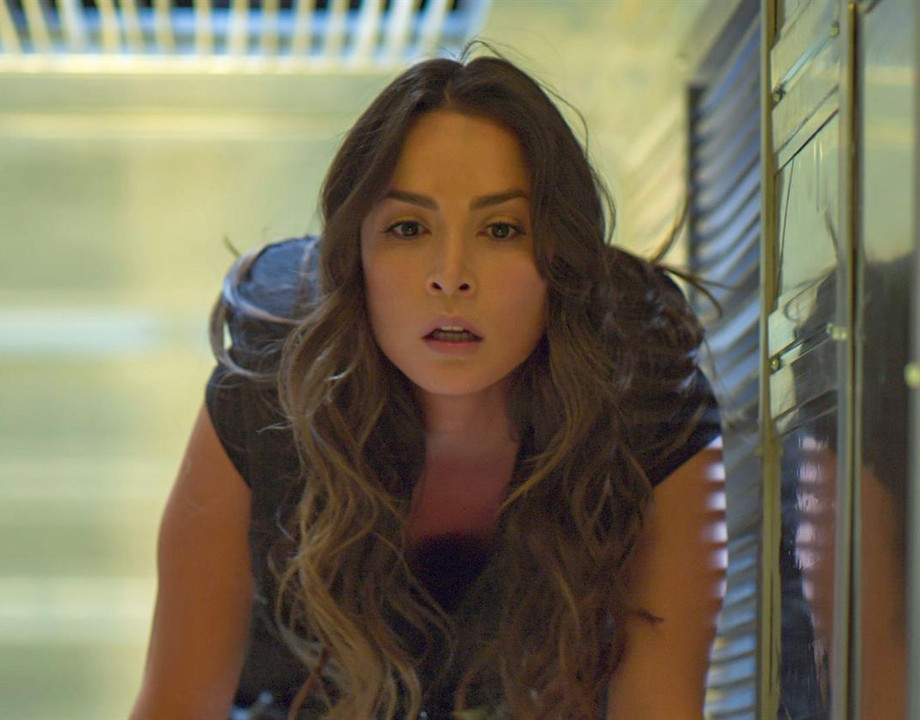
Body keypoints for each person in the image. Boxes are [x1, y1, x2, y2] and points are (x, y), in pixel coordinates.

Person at [130, 43, 728, 720]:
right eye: (409, 227)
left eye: (500, 229)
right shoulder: (273, 378)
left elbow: (660, 706)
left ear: (561, 260)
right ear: (355, 258)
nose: (450, 276)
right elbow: (176, 704)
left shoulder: (647, 396)